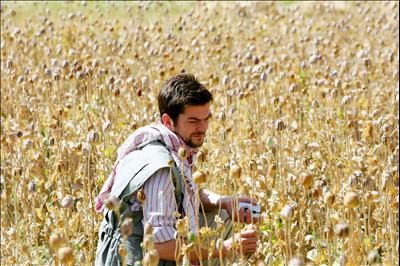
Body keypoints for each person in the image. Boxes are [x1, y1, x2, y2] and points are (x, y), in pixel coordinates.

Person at [95, 73, 259, 265]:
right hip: (136, 259)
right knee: (217, 233)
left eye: (206, 118)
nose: (203, 127)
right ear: (168, 120)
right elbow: (159, 245)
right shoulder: (162, 167)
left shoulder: (156, 141)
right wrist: (226, 247)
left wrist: (224, 202)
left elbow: (182, 192)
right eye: (193, 121)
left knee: (221, 215)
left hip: (126, 249)